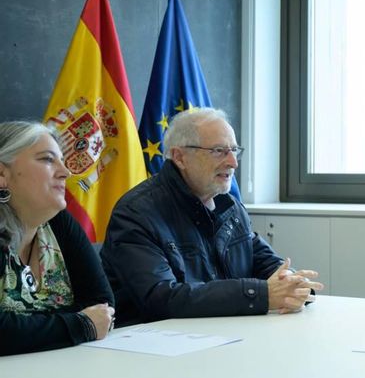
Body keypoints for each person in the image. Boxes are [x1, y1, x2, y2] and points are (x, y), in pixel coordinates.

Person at [101, 108, 322, 325]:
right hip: (150, 340)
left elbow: (265, 263)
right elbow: (162, 298)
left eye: (234, 150)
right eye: (218, 151)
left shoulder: (230, 207)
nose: (233, 162)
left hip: (222, 333)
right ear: (180, 157)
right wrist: (261, 294)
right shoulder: (136, 213)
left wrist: (292, 284)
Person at [0, 121, 115, 355]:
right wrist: (80, 324)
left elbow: (102, 307)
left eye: (61, 160)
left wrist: (25, 329)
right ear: (2, 174)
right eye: (47, 159)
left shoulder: (58, 221)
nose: (66, 172)